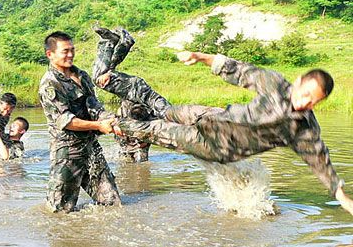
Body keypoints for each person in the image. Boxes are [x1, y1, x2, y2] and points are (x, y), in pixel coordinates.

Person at [119, 51, 353, 215]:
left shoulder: (303, 129)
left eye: (313, 102)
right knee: (170, 111)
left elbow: (321, 162)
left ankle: (107, 123)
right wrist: (200, 57)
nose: (304, 104)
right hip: (215, 117)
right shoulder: (275, 83)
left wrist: (341, 197)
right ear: (299, 82)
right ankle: (135, 105)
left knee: (153, 130)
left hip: (215, 145)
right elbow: (239, 70)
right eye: (304, 95)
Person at [39, 31, 122, 213]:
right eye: (65, 51)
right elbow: (66, 121)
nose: (70, 55)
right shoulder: (50, 84)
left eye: (72, 50)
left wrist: (109, 119)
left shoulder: (81, 75)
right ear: (50, 54)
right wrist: (99, 126)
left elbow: (93, 104)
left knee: (112, 204)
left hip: (91, 148)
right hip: (68, 153)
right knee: (59, 212)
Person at [92, 27, 170, 162]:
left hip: (139, 113)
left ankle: (110, 42)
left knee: (136, 161)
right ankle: (113, 42)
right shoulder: (152, 113)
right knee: (100, 78)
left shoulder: (138, 137)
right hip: (137, 92)